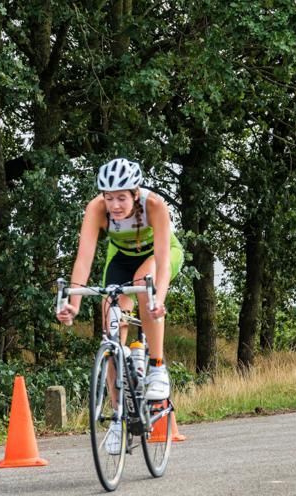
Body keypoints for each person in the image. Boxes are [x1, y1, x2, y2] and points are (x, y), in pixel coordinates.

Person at [56, 159, 184, 451]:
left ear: (135, 193)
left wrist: (158, 299)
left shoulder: (154, 206)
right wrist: (73, 304)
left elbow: (164, 262)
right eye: (109, 197)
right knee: (111, 322)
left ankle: (157, 367)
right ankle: (117, 419)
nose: (114, 205)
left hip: (158, 256)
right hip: (122, 257)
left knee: (144, 284)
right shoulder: (96, 209)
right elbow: (84, 259)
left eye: (121, 198)